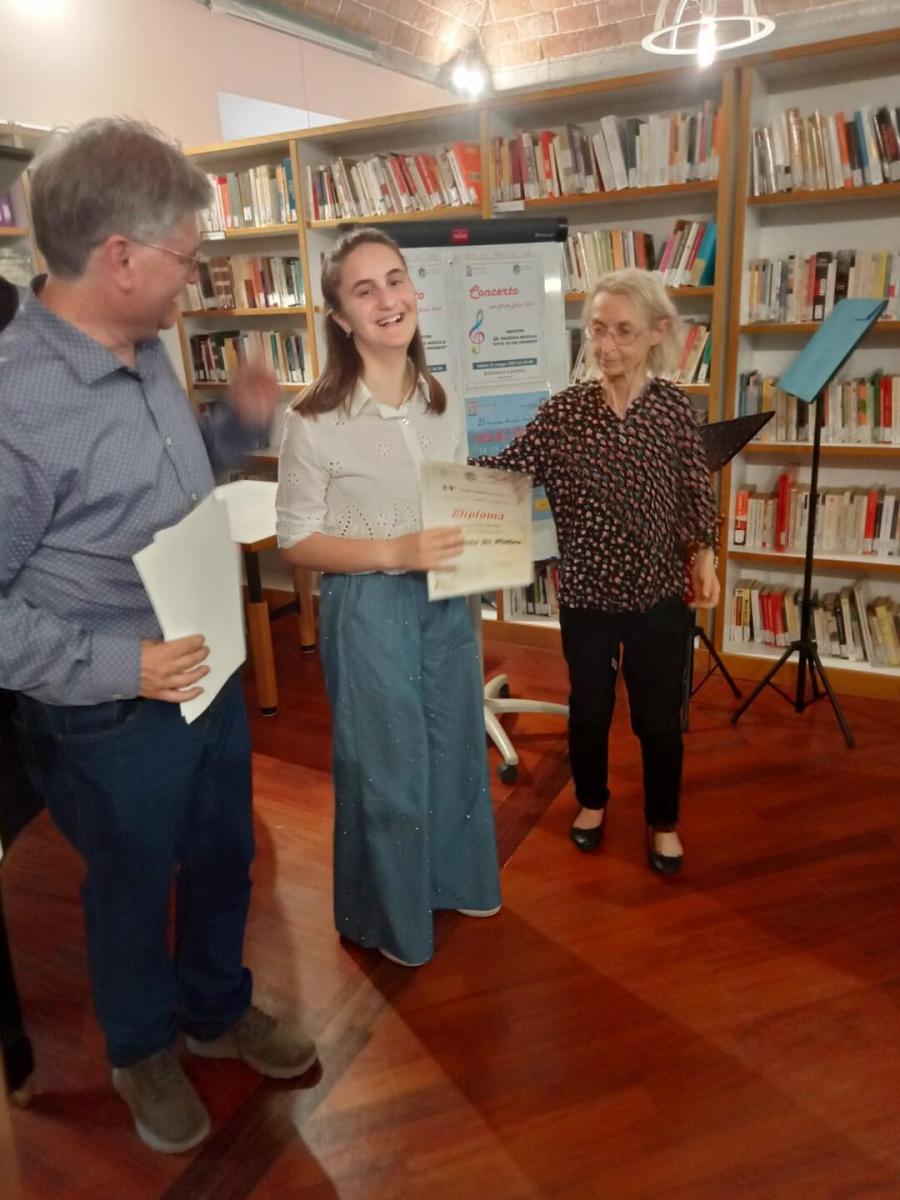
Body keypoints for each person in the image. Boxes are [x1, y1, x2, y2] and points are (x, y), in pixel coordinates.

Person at [0, 119, 317, 1155]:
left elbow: (153, 491)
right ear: (121, 257)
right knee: (134, 884)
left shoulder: (145, 347)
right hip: (109, 708)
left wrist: (233, 430)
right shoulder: (14, 408)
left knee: (224, 852)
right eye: (186, 255)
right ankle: (140, 1049)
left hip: (204, 666)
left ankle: (216, 1007)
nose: (196, 275)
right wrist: (119, 665)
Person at [276, 227, 501, 968]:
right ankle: (391, 918)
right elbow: (295, 540)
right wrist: (392, 552)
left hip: (445, 601)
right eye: (364, 289)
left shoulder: (443, 400)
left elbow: (456, 502)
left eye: (395, 280)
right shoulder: (313, 420)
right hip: (367, 608)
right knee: (385, 764)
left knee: (455, 745)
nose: (387, 299)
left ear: (414, 290)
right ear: (340, 317)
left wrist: (490, 541)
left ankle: (455, 881)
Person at [474, 268, 719, 875]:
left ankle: (663, 820)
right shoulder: (564, 413)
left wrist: (705, 556)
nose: (606, 346)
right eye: (597, 329)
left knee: (658, 718)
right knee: (588, 707)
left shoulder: (672, 410)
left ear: (657, 332)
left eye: (623, 332)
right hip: (587, 593)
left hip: (659, 595)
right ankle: (590, 800)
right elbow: (507, 469)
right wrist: (441, 472)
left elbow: (696, 493)